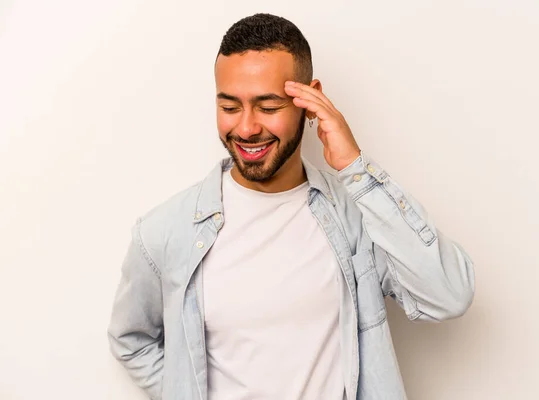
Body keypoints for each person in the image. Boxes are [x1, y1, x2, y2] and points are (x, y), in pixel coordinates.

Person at [107, 13, 475, 400]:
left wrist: (355, 169)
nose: (247, 128)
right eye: (230, 107)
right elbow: (131, 340)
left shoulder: (355, 218)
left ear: (309, 98)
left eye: (268, 107)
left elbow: (449, 295)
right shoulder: (166, 232)